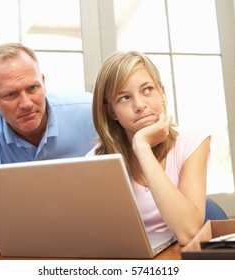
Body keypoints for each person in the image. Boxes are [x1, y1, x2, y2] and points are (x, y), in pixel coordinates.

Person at [87, 51, 211, 246]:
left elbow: (188, 232)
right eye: (124, 98)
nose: (139, 105)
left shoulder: (192, 141)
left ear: (161, 93)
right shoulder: (97, 161)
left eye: (147, 90)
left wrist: (142, 146)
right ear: (111, 111)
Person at [0, 43, 96, 167]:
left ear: (43, 83)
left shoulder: (91, 112)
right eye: (11, 94)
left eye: (32, 88)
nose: (26, 104)